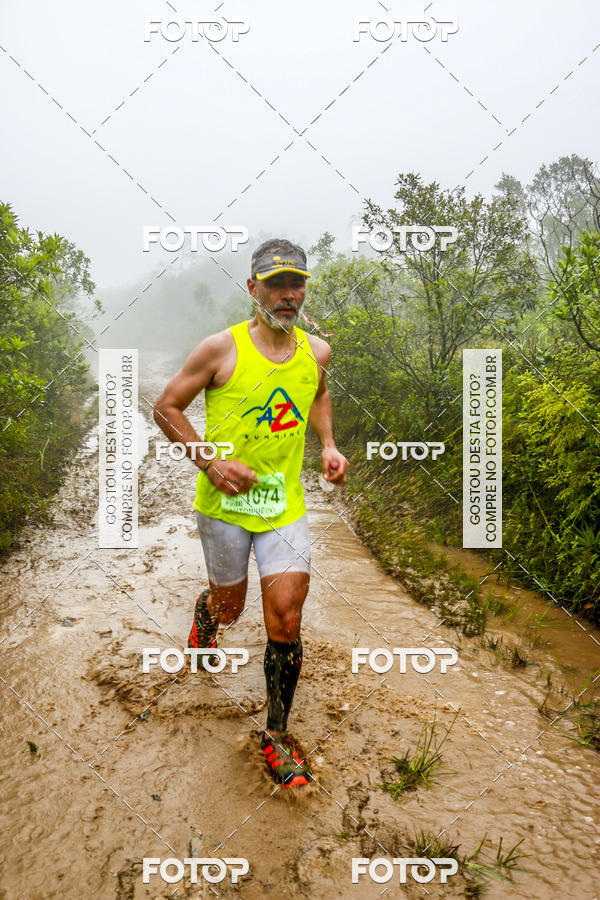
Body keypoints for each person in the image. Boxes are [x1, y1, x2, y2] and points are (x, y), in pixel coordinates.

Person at [153, 238, 349, 787]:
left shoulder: (316, 351)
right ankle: (206, 616)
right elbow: (165, 408)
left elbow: (316, 394)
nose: (288, 295)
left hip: (283, 506)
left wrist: (328, 444)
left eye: (297, 284)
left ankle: (278, 737)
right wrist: (212, 463)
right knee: (231, 607)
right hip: (224, 506)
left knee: (285, 616)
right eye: (276, 283)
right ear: (252, 288)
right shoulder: (220, 349)